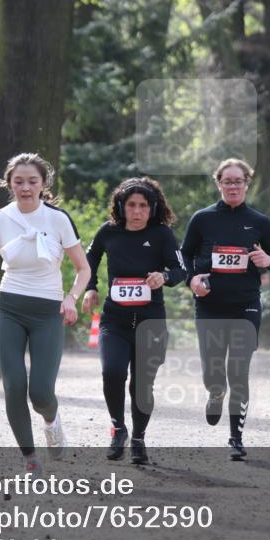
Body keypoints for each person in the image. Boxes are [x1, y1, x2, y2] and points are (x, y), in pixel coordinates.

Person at [0, 153, 91, 476]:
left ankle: (52, 420)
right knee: (14, 384)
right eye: (18, 181)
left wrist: (72, 298)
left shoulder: (58, 220)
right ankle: (30, 458)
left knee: (41, 393)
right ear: (10, 183)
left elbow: (83, 268)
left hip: (48, 311)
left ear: (43, 183)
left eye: (32, 181)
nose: (25, 187)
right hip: (9, 308)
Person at [180, 158, 270, 460]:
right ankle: (215, 392)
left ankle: (236, 437)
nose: (232, 186)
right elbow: (183, 257)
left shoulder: (260, 222)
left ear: (247, 184)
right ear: (218, 184)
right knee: (214, 373)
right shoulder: (202, 219)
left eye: (238, 181)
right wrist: (192, 280)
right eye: (227, 181)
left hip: (246, 307)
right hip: (210, 307)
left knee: (238, 371)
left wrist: (269, 262)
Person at [82, 178, 186, 464]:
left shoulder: (162, 234)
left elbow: (181, 269)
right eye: (131, 205)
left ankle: (138, 439)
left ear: (152, 208)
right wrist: (90, 286)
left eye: (143, 206)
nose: (137, 211)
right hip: (114, 320)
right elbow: (89, 259)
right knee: (112, 372)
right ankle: (118, 428)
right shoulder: (109, 231)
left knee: (142, 385)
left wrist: (164, 276)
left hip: (150, 321)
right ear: (121, 206)